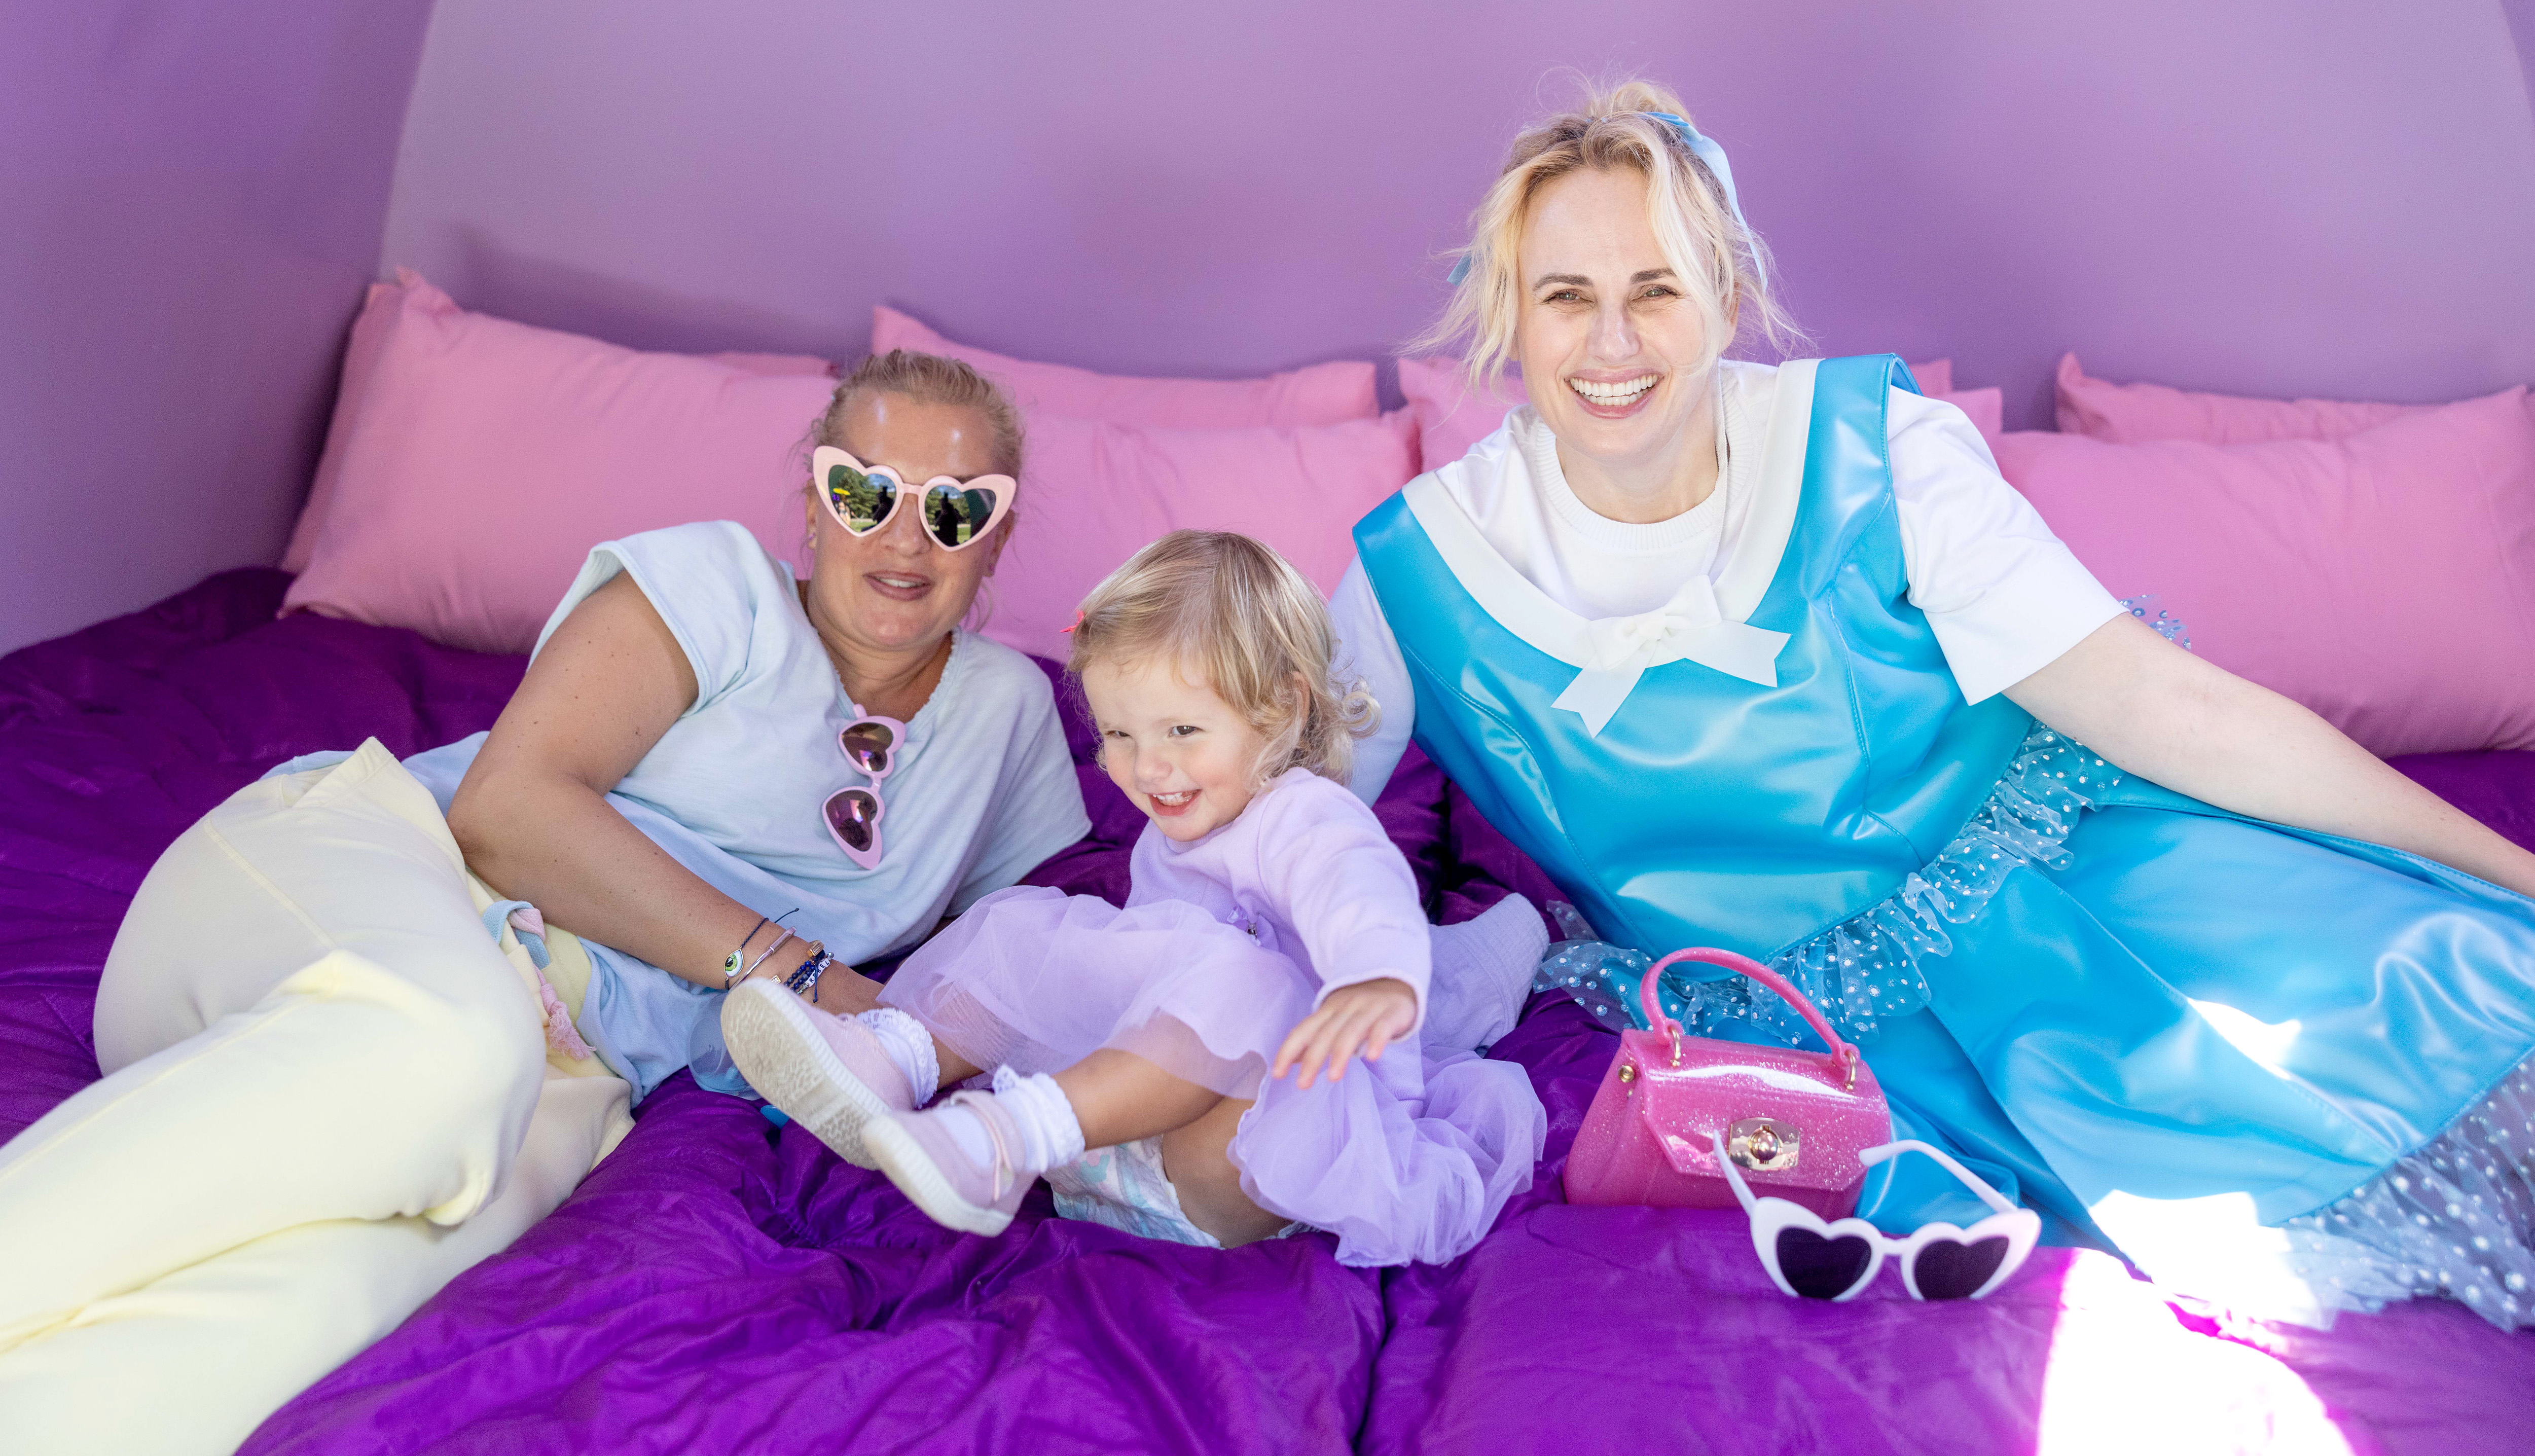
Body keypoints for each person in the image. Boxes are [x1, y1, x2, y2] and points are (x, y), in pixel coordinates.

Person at [1328, 80, 2535, 1327]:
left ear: (1728, 297)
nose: (1612, 344)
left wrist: (2514, 871)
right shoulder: (1415, 570)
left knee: (2443, 1004)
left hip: (2070, 897)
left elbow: (2162, 703)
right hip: (1782, 1028)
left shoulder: (1876, 454)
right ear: (1509, 318)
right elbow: (1271, 823)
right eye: (1566, 297)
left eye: (1657, 289)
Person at [0, 351, 1097, 1456]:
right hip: (366, 887)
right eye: (864, 490)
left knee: (328, 1307)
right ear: (814, 507)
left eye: (958, 509)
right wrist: (798, 970)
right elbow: (507, 812)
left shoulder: (1011, 718)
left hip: (576, 1071)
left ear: (999, 538)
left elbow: (1024, 954)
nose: (905, 536)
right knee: (446, 1054)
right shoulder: (719, 588)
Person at [726, 530, 1548, 1264]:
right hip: (1113, 1154)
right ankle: (892, 1058)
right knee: (1026, 923)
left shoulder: (1304, 814)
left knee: (1250, 983)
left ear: (1283, 707)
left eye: (1182, 731)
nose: (1149, 769)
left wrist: (1374, 974)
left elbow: (1356, 890)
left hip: (1243, 1162)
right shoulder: (1177, 827)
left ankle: (1002, 1140)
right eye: (1120, 735)